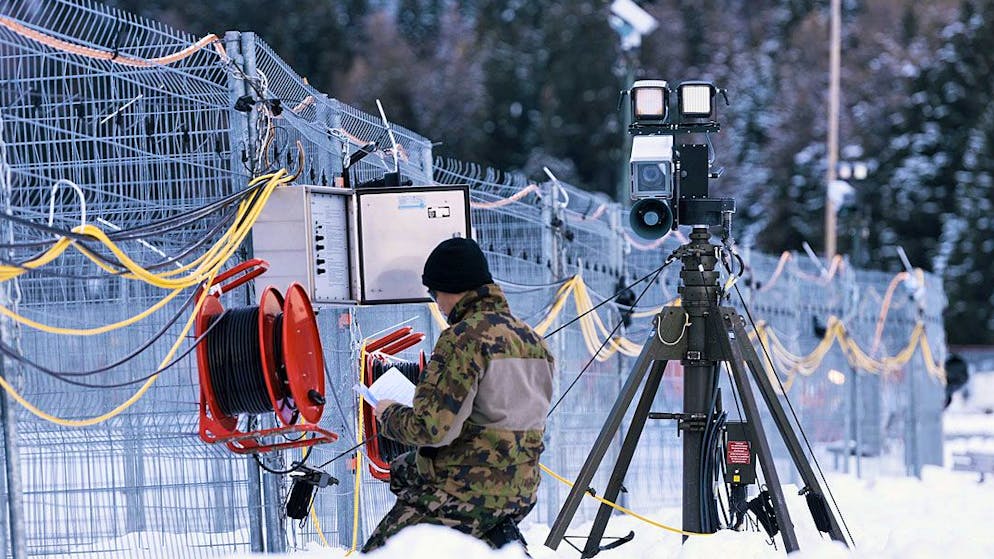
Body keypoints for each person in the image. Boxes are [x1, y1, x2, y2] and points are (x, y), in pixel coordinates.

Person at [361, 237, 555, 553]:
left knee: (384, 551)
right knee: (403, 470)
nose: (436, 302)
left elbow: (432, 429)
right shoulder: (533, 340)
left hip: (466, 491)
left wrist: (389, 414)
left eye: (434, 292)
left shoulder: (463, 339)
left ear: (452, 288)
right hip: (521, 488)